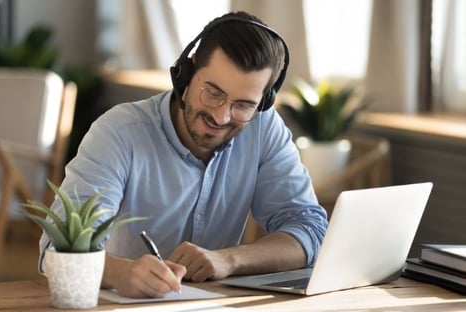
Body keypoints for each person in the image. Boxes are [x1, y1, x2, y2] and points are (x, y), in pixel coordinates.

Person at [38, 11, 328, 298]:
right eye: (213, 92)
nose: (221, 115)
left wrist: (227, 260)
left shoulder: (263, 128)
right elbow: (56, 251)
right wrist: (121, 272)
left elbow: (308, 229)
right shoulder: (119, 132)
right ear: (185, 74)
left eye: (243, 104)